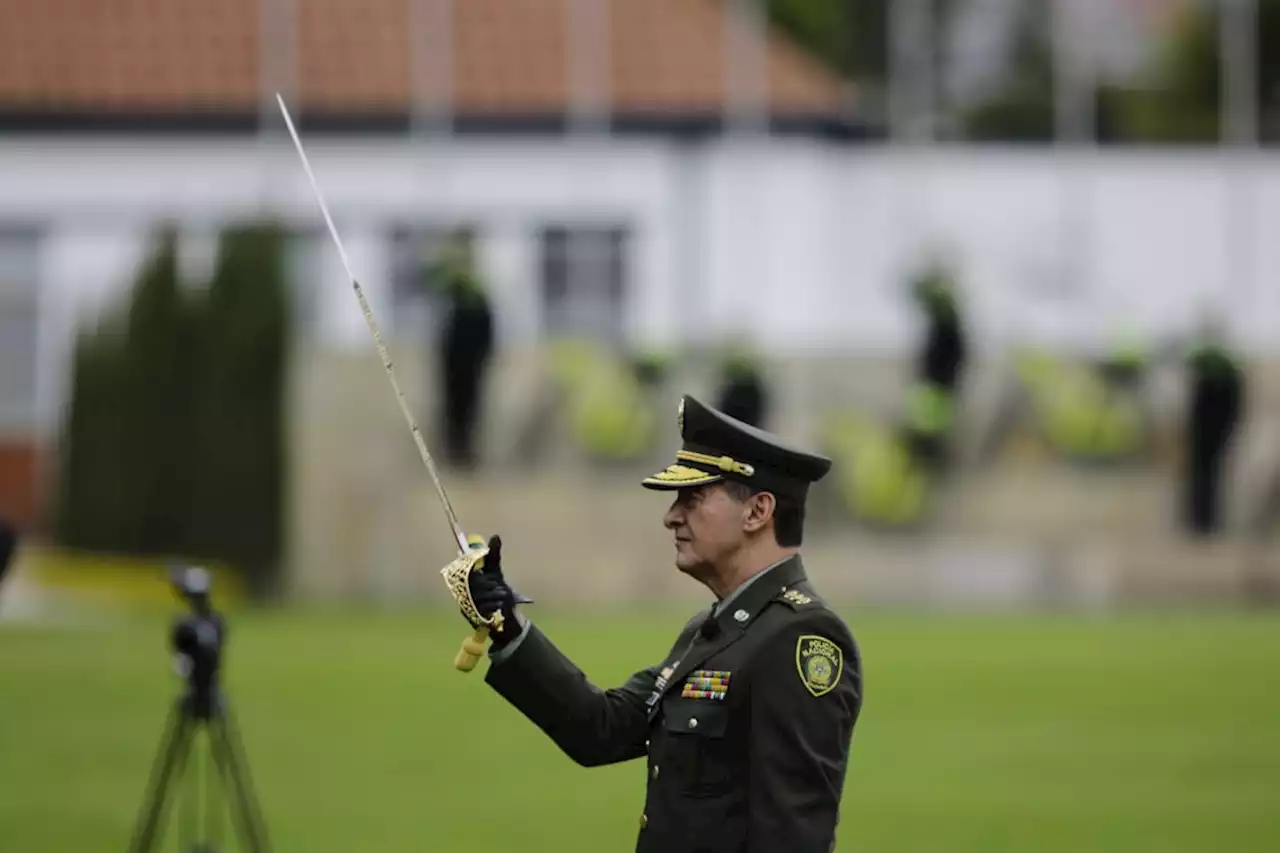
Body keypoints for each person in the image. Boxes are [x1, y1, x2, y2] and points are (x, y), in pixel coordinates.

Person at [459, 395, 863, 852]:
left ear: (757, 512)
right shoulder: (713, 630)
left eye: (693, 498)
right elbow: (601, 729)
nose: (671, 515)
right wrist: (505, 625)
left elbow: (792, 839)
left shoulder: (800, 637)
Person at [432, 236, 495, 469]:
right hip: (457, 359)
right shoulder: (455, 288)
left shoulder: (476, 291)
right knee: (456, 407)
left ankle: (462, 452)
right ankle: (456, 451)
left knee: (467, 407)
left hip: (469, 360)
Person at [1184, 321, 1245, 536]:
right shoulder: (1227, 365)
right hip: (1216, 430)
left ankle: (1199, 523)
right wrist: (1233, 426)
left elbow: (1191, 401)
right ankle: (1206, 523)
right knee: (1212, 477)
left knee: (1200, 476)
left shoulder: (1200, 361)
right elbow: (1236, 403)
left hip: (1203, 430)